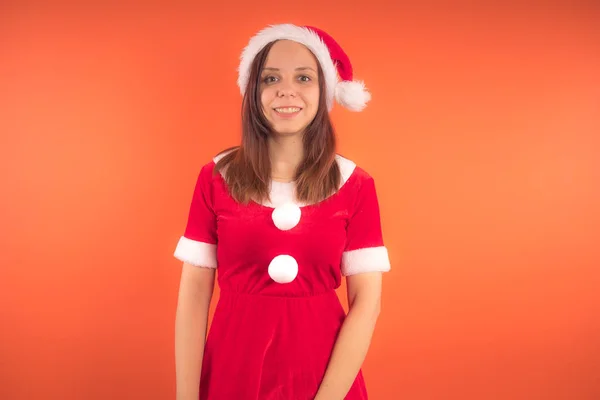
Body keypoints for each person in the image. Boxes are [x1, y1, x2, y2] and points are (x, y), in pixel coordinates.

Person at [173, 23, 391, 400]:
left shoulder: (355, 184)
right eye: (270, 78)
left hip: (324, 379)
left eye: (304, 77)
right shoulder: (216, 177)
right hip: (232, 373)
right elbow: (193, 294)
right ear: (253, 91)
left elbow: (367, 304)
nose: (286, 90)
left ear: (324, 90)